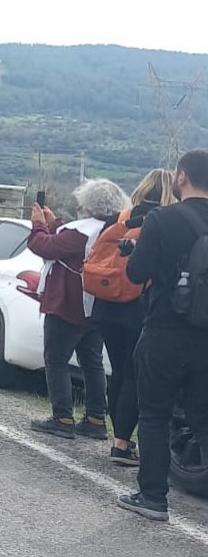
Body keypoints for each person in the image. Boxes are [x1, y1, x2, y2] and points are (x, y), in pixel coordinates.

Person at [118, 150, 208, 522]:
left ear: (182, 176)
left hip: (166, 331)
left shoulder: (162, 218)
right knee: (204, 417)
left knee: (155, 413)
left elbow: (137, 275)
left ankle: (153, 497)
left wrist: (140, 253)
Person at [27, 178, 127, 440]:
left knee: (56, 358)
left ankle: (62, 416)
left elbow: (43, 246)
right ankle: (96, 417)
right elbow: (69, 243)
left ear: (87, 202)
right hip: (97, 304)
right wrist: (55, 223)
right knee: (92, 361)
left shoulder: (79, 231)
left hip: (67, 303)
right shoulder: (113, 229)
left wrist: (38, 223)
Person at [94, 169, 175, 466]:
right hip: (137, 306)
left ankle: (119, 438)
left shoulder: (119, 217)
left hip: (106, 304)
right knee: (133, 375)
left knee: (118, 371)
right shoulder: (164, 224)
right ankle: (122, 444)